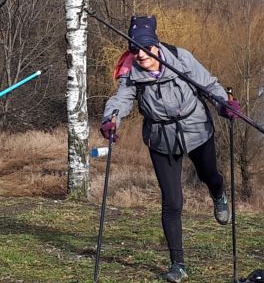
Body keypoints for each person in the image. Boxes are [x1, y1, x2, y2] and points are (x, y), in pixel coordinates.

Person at [98, 14, 243, 282]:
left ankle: (219, 195)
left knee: (209, 175)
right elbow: (122, 98)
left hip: (196, 127)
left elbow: (208, 85)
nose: (141, 55)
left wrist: (225, 104)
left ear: (156, 45)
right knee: (172, 201)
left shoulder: (181, 58)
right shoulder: (132, 72)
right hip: (160, 137)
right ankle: (178, 264)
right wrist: (111, 119)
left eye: (145, 48)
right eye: (134, 50)